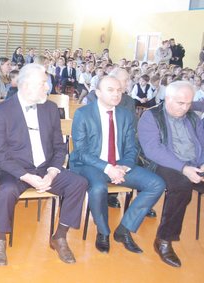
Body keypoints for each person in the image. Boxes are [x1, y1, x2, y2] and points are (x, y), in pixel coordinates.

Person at [0, 63, 88, 265]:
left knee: (79, 183)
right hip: (15, 170)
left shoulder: (50, 108)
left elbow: (59, 147)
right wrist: (26, 176)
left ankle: (59, 236)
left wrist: (52, 173)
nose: (47, 88)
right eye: (43, 84)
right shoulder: (1, 110)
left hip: (45, 169)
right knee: (6, 191)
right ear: (25, 86)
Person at [70, 75, 165, 255]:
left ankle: (124, 229)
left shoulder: (125, 114)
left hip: (120, 164)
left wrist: (124, 167)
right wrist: (108, 168)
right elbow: (81, 151)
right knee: (98, 188)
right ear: (98, 92)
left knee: (156, 183)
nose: (116, 94)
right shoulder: (83, 114)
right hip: (89, 164)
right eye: (110, 90)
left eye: (119, 90)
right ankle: (103, 232)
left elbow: (132, 147)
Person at [138, 81, 204, 267]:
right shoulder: (150, 116)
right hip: (163, 163)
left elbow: (202, 141)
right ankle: (164, 240)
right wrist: (184, 168)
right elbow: (153, 150)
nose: (185, 108)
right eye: (180, 103)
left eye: (189, 104)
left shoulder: (193, 117)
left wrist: (202, 163)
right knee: (181, 187)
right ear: (167, 98)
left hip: (193, 162)